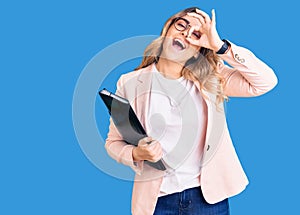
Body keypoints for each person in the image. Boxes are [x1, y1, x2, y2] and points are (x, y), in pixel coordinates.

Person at [105, 7, 277, 215]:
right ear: (168, 28)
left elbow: (265, 82)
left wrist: (219, 46)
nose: (185, 34)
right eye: (181, 25)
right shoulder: (130, 83)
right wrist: (136, 153)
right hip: (157, 201)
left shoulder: (212, 77)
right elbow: (113, 143)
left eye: (196, 34)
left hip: (207, 200)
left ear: (200, 47)